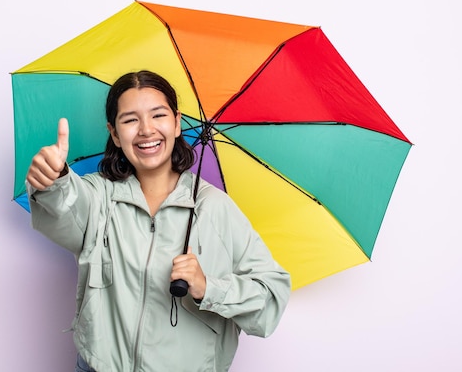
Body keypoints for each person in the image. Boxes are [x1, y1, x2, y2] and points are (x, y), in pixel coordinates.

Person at [26, 70, 291, 372]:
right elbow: (65, 207)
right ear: (114, 133)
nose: (146, 130)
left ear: (177, 122)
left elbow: (270, 303)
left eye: (158, 115)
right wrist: (53, 179)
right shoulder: (98, 195)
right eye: (130, 120)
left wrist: (208, 288)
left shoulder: (216, 208)